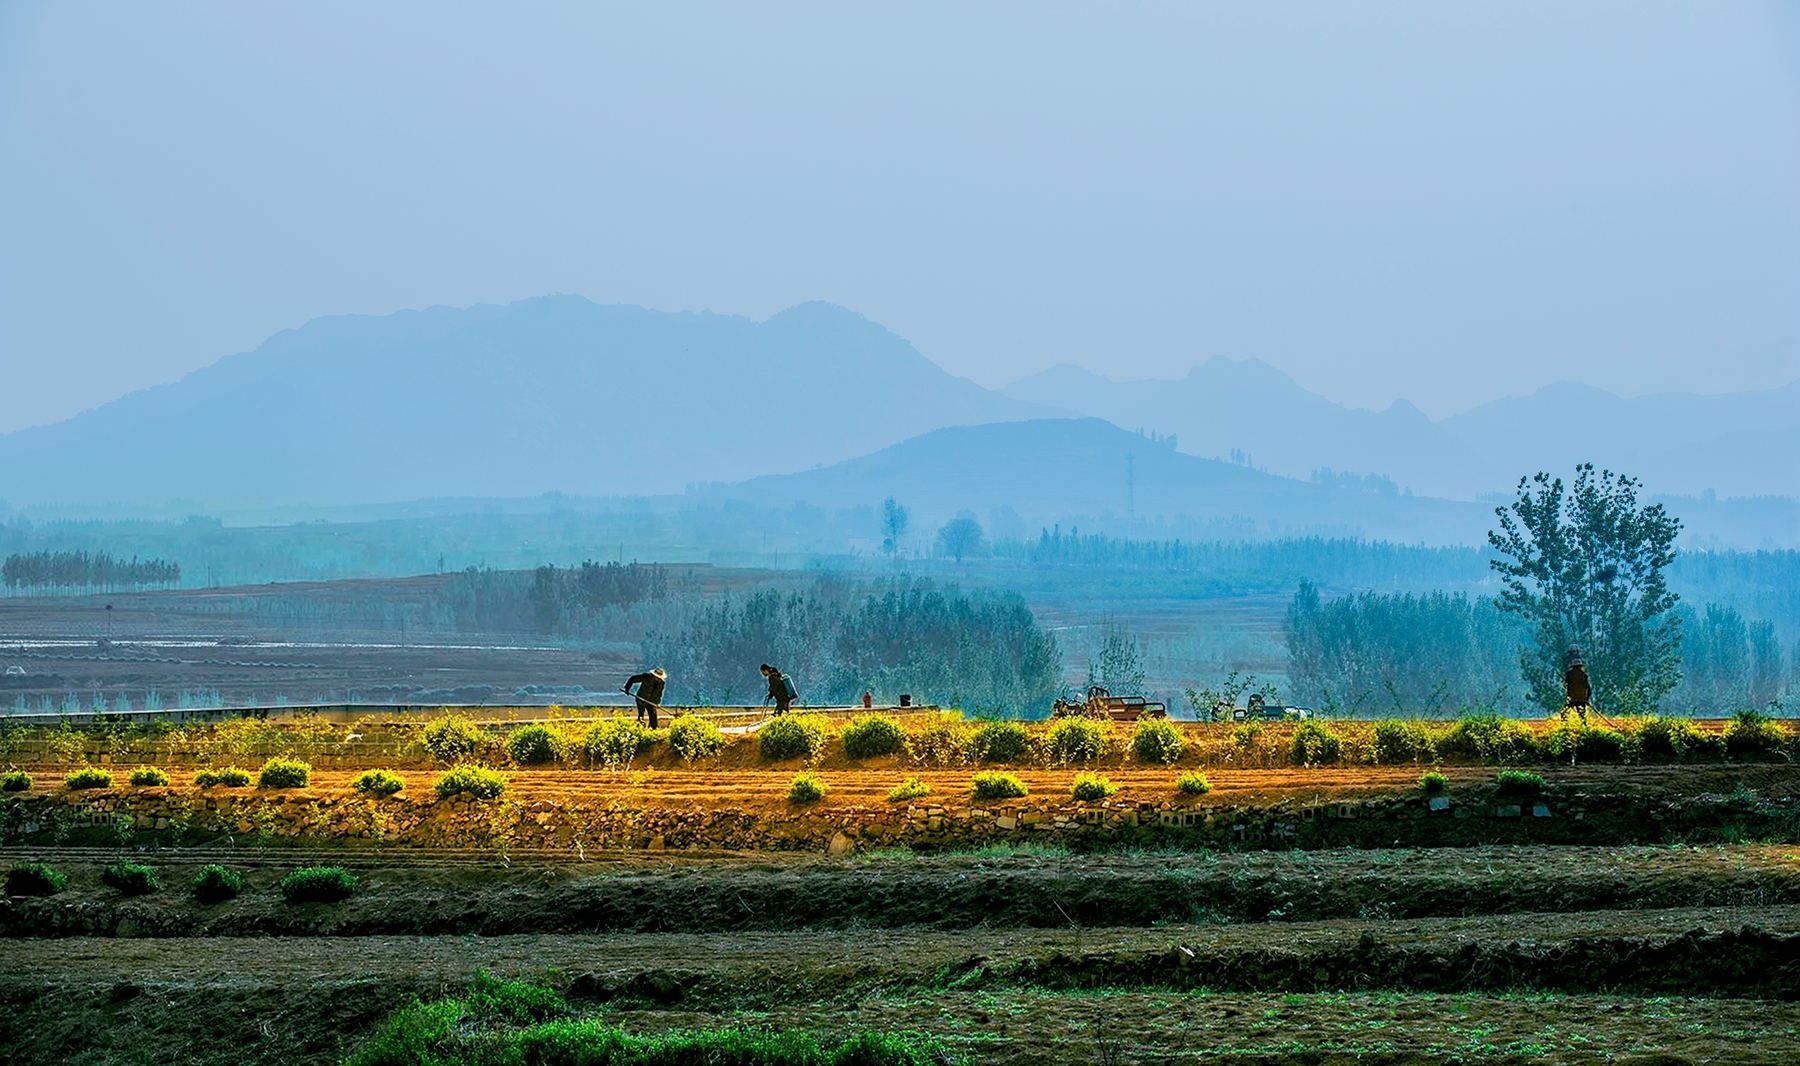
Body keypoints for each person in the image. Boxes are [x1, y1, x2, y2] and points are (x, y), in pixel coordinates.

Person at [1563, 646, 1591, 715]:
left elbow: (1567, 686)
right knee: (1582, 715)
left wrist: (1569, 696)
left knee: (1564, 713)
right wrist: (1587, 699)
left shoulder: (1569, 674)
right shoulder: (1584, 675)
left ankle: (1565, 723)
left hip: (1573, 698)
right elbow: (1588, 688)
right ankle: (1584, 724)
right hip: (1582, 698)